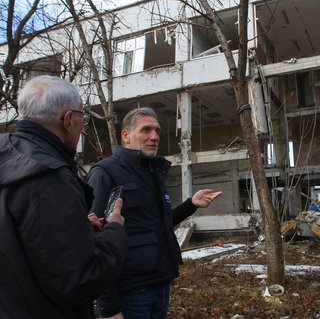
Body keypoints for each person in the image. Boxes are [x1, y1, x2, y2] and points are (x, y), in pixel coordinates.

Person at [0, 75, 128, 319]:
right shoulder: (51, 178)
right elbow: (80, 282)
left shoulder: (9, 160)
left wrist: (76, 230)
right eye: (83, 118)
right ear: (68, 120)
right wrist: (114, 231)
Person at [86, 107, 221, 319]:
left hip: (160, 286)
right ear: (125, 135)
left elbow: (159, 225)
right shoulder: (105, 173)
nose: (154, 137)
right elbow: (94, 241)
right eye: (146, 130)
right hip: (130, 292)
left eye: (157, 131)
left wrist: (191, 204)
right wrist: (109, 308)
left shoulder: (153, 173)